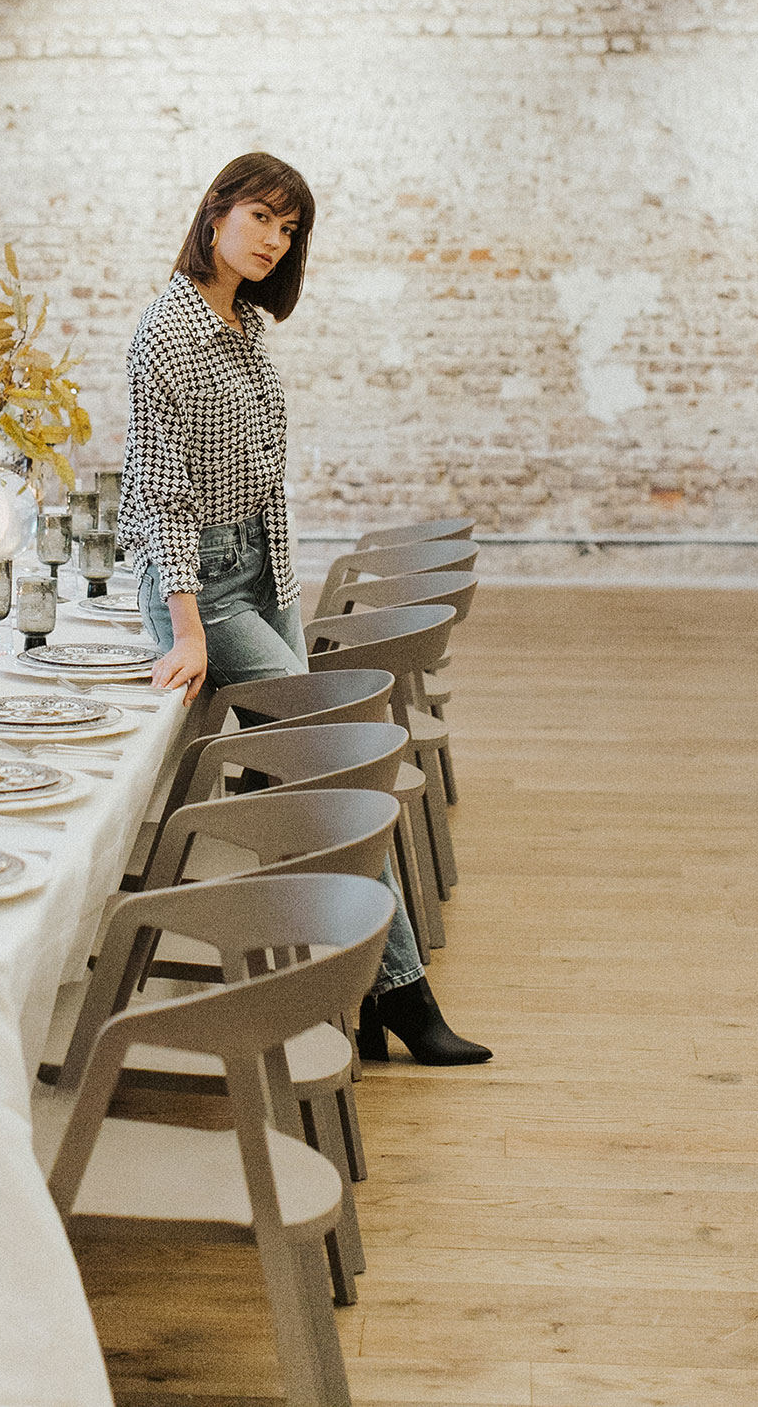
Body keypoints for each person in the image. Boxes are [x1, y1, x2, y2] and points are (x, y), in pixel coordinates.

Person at [119, 150, 491, 1066]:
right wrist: (192, 627)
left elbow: (261, 481)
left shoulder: (244, 327)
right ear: (214, 214)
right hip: (202, 589)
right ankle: (399, 992)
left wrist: (275, 587)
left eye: (288, 231)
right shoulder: (163, 336)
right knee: (330, 774)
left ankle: (354, 981)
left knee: (318, 783)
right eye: (260, 220)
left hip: (266, 574)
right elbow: (159, 494)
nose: (273, 243)